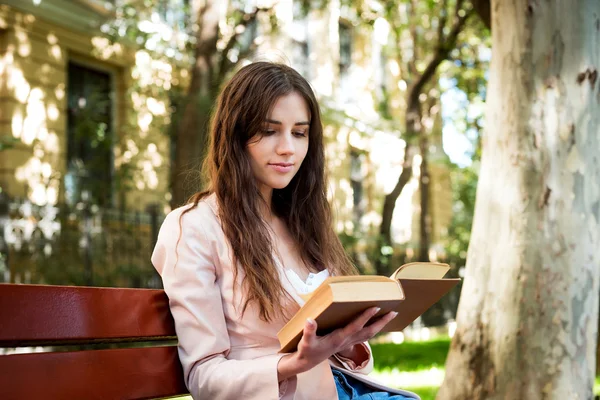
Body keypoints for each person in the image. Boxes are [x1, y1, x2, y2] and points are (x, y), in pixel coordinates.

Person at [151, 62, 420, 400]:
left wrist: (349, 342)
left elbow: (346, 361)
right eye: (269, 130)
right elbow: (203, 376)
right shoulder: (193, 226)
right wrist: (289, 365)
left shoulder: (303, 223)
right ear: (234, 134)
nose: (288, 149)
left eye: (299, 132)